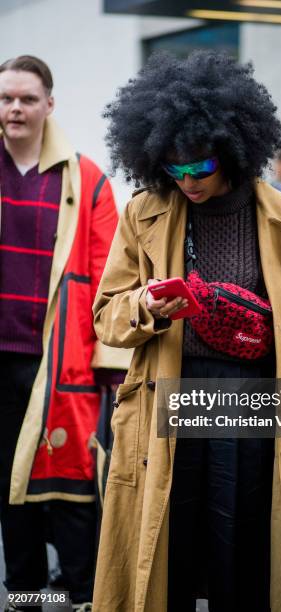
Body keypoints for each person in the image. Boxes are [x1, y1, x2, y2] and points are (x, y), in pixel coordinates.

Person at [92, 50, 281, 612]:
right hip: (168, 396)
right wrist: (147, 305)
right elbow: (106, 316)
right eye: (174, 170)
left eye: (199, 167)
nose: (188, 181)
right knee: (166, 555)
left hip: (251, 401)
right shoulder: (144, 212)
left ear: (231, 150)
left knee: (245, 561)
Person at [0, 55, 121, 611]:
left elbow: (110, 283)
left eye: (26, 98)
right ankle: (23, 597)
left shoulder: (87, 178)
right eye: (6, 98)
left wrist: (112, 367)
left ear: (50, 104)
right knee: (12, 494)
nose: (15, 108)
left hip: (60, 364)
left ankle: (82, 598)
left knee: (73, 490)